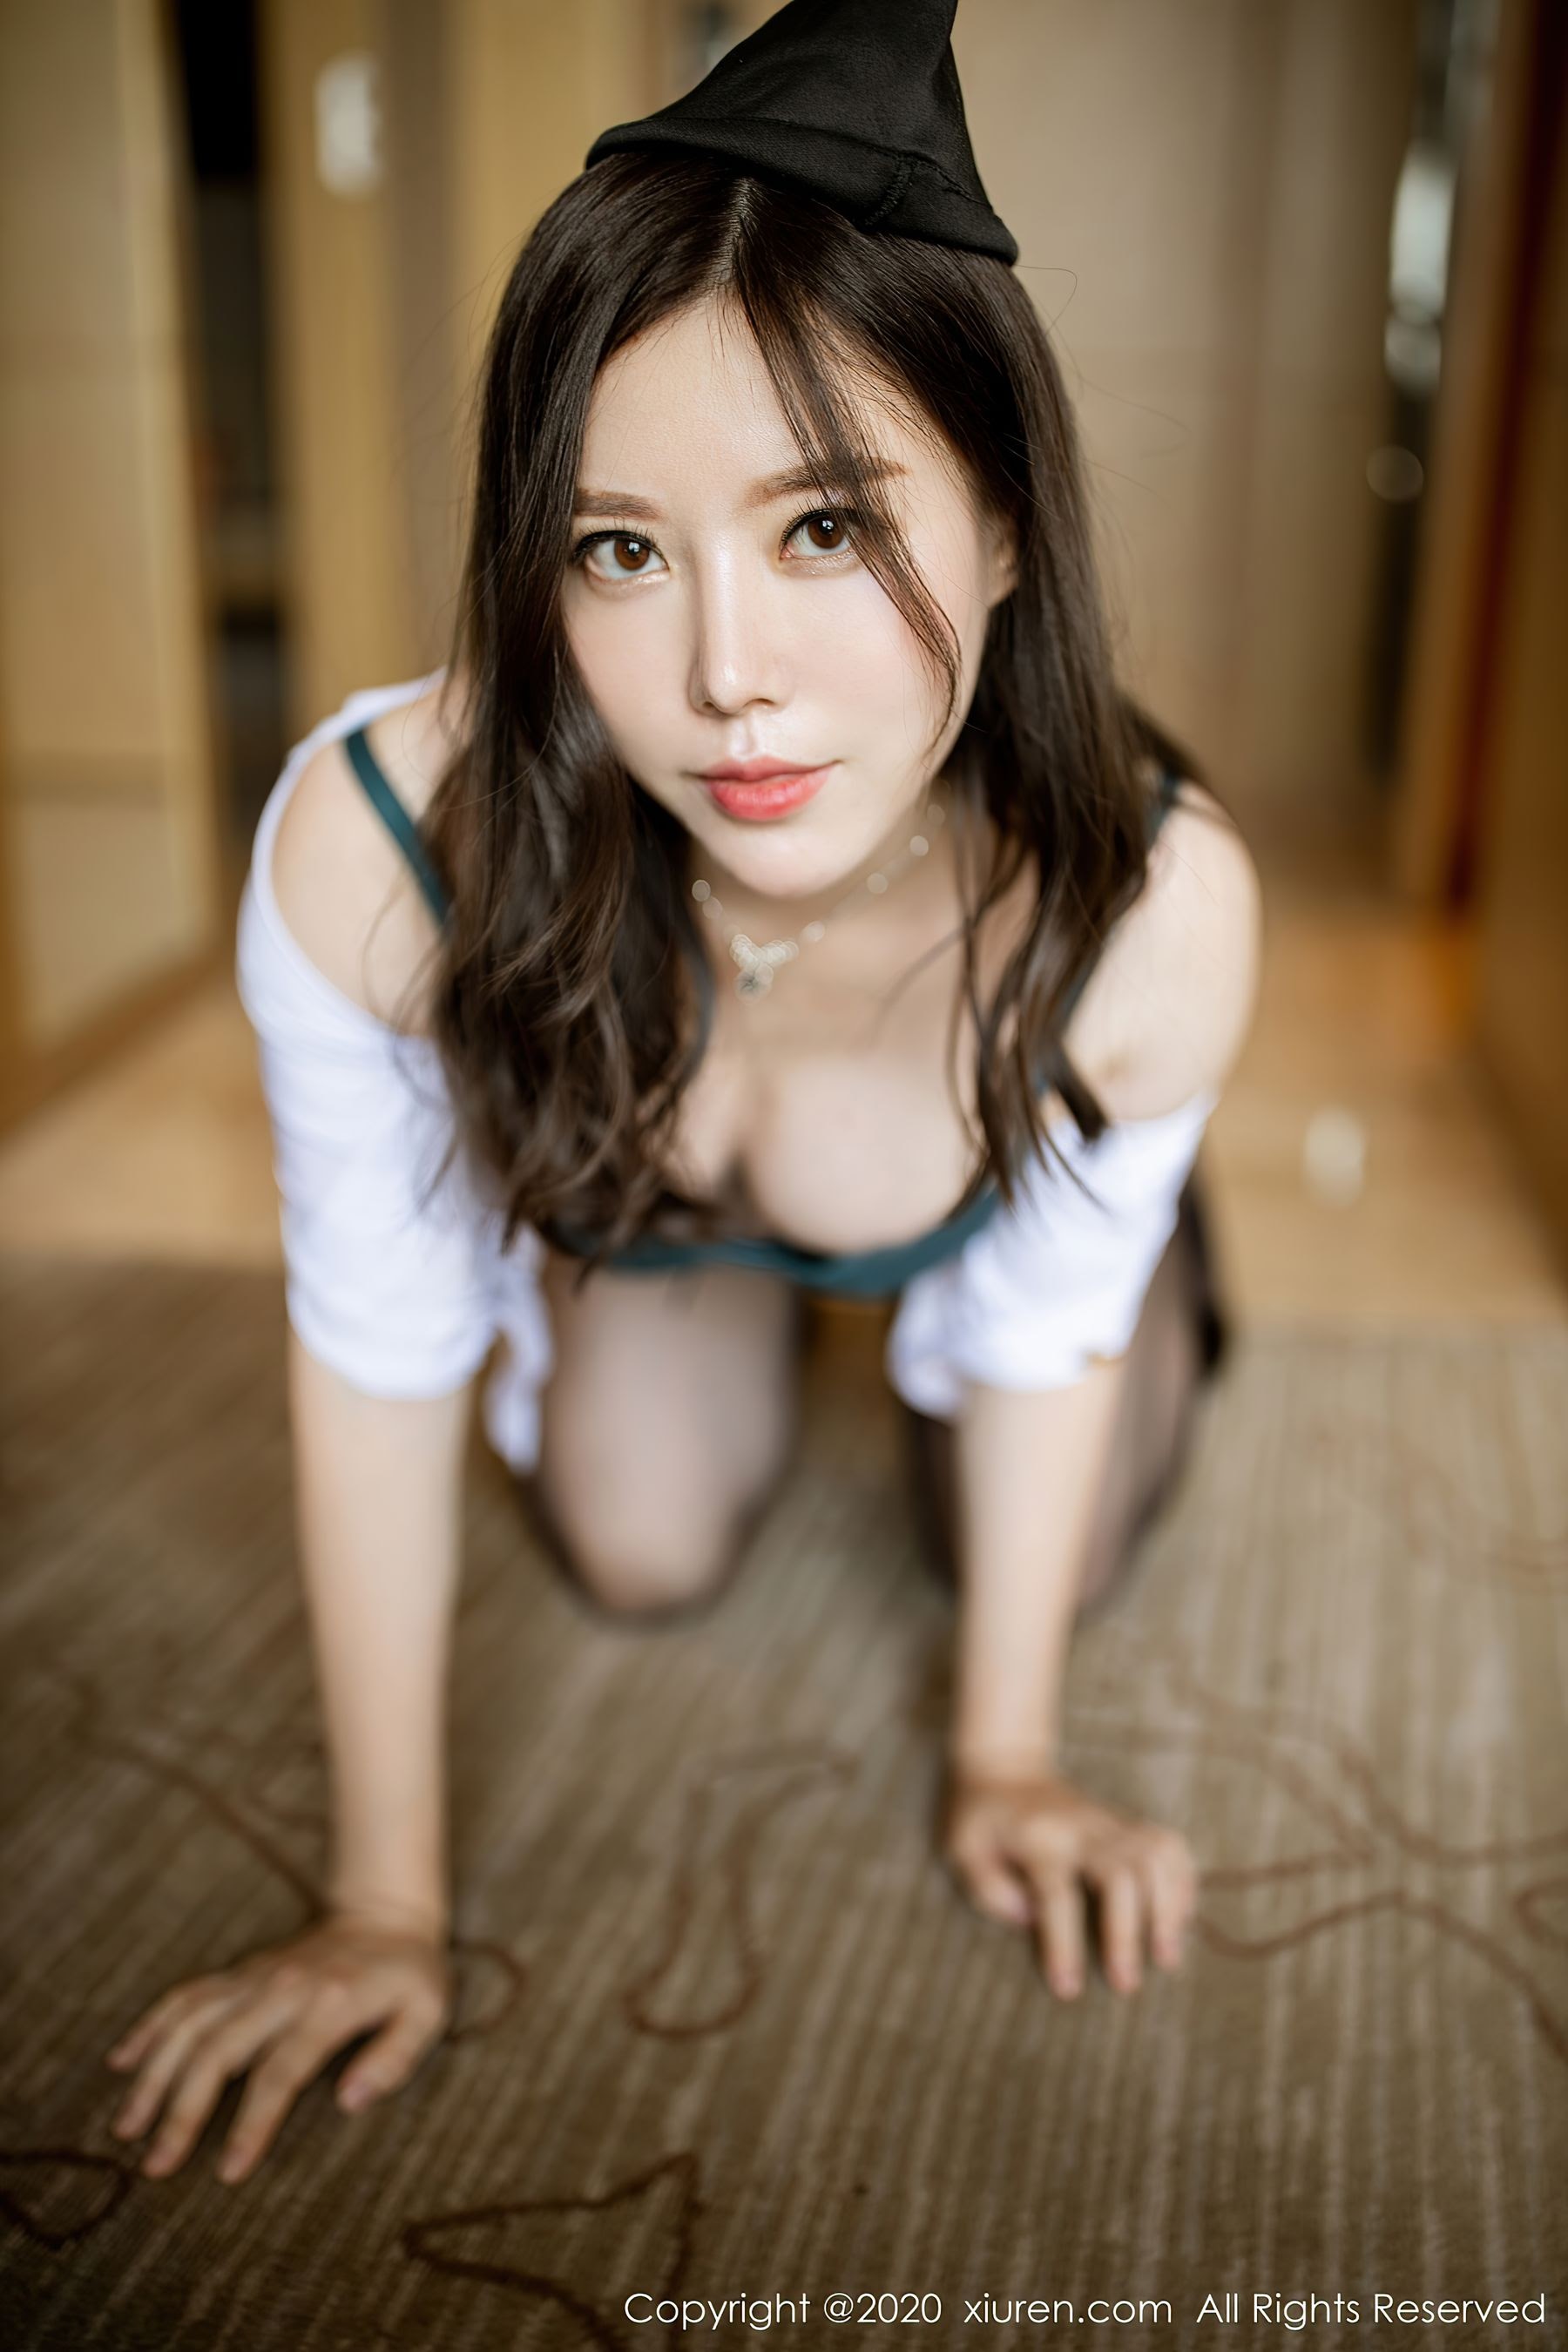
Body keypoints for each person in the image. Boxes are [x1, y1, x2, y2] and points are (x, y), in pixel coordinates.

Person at [104, 0, 1261, 2188]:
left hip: (1019, 1200)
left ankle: (1047, 1253)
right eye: (620, 549)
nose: (727, 674)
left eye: (825, 527)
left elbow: (1047, 1350)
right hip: (663, 1193)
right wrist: (383, 1903)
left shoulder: (1149, 910)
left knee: (1047, 1524)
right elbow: (374, 1344)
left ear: (1008, 525)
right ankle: (714, 1272)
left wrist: (1007, 1760)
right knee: (634, 1541)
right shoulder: (381, 851)